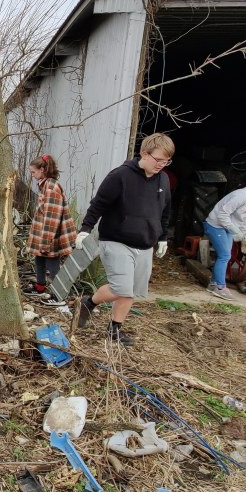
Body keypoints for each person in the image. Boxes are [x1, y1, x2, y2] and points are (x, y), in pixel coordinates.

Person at [74, 133, 175, 346]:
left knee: (132, 292)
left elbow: (165, 211)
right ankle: (89, 302)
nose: (161, 165)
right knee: (121, 287)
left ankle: (114, 329)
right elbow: (98, 204)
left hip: (145, 244)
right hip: (116, 240)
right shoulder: (120, 176)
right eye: (158, 160)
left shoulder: (163, 180)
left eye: (166, 161)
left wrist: (163, 237)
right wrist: (85, 229)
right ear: (144, 154)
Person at [23, 154, 77, 297]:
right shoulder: (45, 184)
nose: (32, 175)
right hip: (43, 234)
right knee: (39, 258)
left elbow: (52, 218)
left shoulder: (51, 188)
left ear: (42, 170)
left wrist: (46, 241)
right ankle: (40, 287)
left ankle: (64, 294)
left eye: (33, 172)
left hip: (50, 235)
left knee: (53, 265)